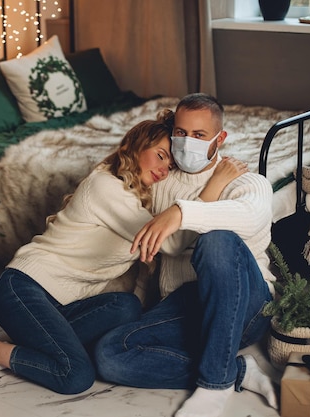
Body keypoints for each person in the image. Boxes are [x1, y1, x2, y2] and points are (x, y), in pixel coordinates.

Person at [0, 109, 247, 395]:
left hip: (59, 304)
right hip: (22, 288)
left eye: (172, 163)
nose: (165, 169)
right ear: (136, 147)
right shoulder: (107, 187)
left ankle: (12, 353)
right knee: (76, 375)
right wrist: (214, 185)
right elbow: (174, 243)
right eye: (161, 155)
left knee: (126, 307)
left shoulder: (135, 198)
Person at [94, 93, 278, 417]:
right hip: (185, 305)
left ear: (220, 139)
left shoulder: (244, 179)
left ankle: (214, 385)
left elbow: (253, 215)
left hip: (246, 307)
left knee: (217, 239)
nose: (186, 142)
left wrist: (180, 213)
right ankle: (236, 370)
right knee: (109, 355)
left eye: (199, 135)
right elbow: (160, 246)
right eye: (180, 132)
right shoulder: (160, 177)